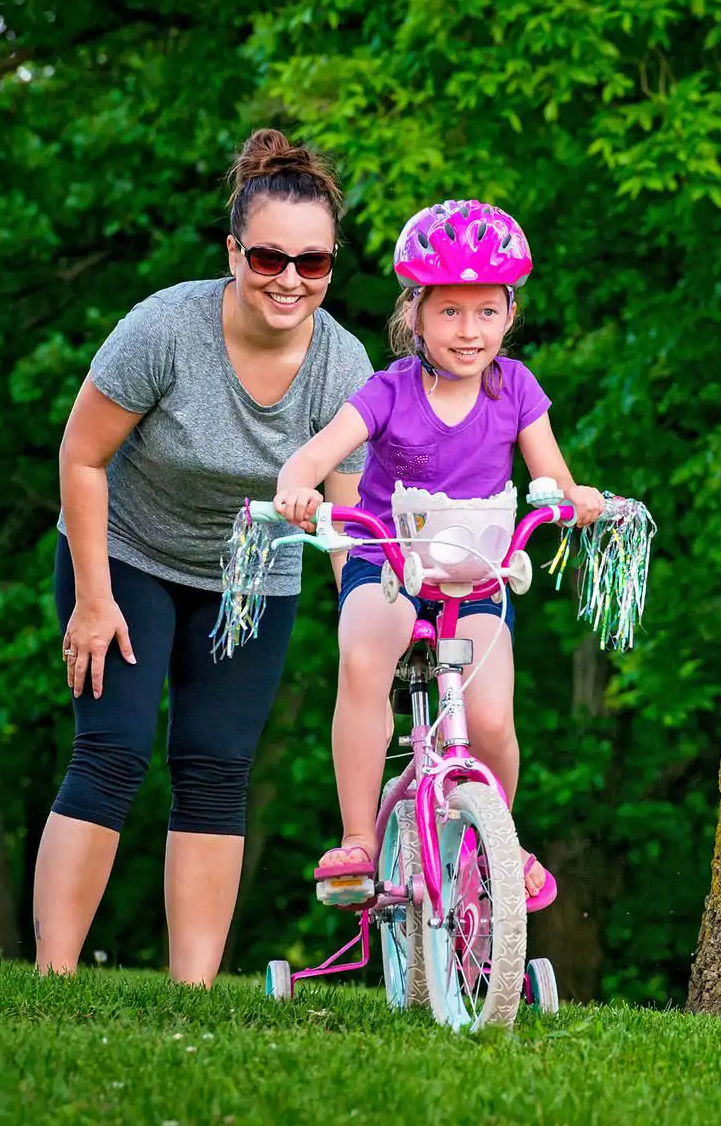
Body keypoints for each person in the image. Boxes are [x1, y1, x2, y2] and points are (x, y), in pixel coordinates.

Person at [36, 129, 372, 985]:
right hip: (127, 558)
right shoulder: (164, 329)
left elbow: (348, 524)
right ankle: (51, 978)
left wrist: (371, 615)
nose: (290, 279)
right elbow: (81, 458)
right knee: (111, 752)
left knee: (217, 769)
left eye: (313, 262)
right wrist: (93, 601)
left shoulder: (343, 364)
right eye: (268, 257)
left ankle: (193, 994)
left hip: (252, 582)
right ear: (233, 252)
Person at [272, 199, 602, 910]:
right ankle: (359, 840)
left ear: (509, 315)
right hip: (387, 565)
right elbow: (314, 457)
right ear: (415, 314)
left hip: (475, 579)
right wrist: (298, 489)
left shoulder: (516, 389)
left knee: (490, 719)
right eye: (449, 312)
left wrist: (576, 499)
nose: (469, 330)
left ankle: (497, 842)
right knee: (363, 658)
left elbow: (551, 477)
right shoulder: (388, 391)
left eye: (487, 311)